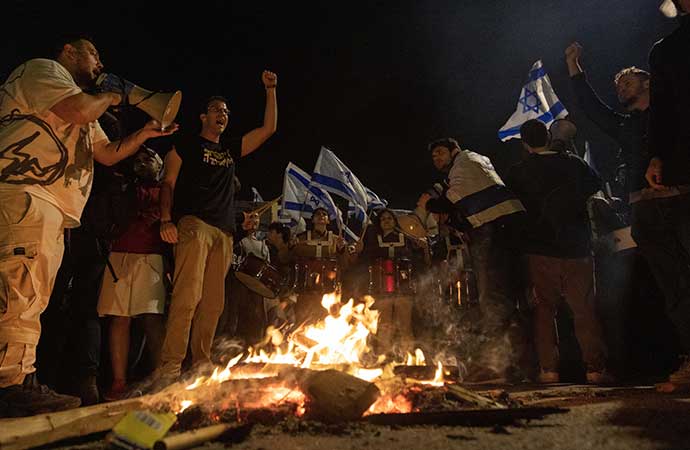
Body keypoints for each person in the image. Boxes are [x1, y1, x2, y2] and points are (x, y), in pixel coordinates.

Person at [0, 33, 177, 416]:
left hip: (49, 205)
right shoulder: (42, 71)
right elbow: (81, 110)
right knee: (20, 289)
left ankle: (20, 377)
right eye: (93, 53)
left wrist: (144, 133)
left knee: (32, 294)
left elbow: (107, 153)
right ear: (68, 52)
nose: (100, 62)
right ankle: (10, 385)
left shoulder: (77, 99)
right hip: (27, 194)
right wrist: (113, 96)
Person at [155, 70, 277, 382]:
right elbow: (168, 183)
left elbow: (268, 129)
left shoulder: (229, 150)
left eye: (226, 111)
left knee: (213, 304)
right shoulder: (185, 146)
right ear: (203, 117)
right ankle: (170, 367)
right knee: (187, 298)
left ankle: (201, 363)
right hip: (194, 225)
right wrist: (166, 219)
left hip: (224, 233)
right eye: (216, 110)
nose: (223, 114)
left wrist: (270, 90)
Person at [507, 119, 611, 384]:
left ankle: (549, 370)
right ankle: (595, 369)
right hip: (576, 248)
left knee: (544, 310)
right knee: (584, 309)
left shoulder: (519, 171)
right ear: (548, 136)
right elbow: (595, 183)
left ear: (525, 144)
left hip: (539, 250)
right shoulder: (573, 163)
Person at [419, 137, 527, 382]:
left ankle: (499, 365)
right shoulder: (475, 162)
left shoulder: (465, 162)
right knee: (507, 297)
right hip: (504, 232)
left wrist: (430, 204)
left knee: (493, 297)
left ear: (454, 150)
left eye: (440, 152)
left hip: (494, 234)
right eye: (433, 155)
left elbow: (450, 201)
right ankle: (516, 364)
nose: (436, 158)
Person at [644, 0, 690, 392]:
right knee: (681, 273)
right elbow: (663, 110)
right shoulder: (667, 50)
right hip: (684, 169)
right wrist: (657, 155)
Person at [97, 146, 167, 401]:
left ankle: (161, 377)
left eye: (149, 157)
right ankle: (119, 382)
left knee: (152, 318)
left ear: (160, 165)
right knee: (119, 318)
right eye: (138, 158)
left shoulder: (166, 192)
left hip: (151, 258)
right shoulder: (124, 187)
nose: (142, 161)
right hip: (119, 257)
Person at [353, 209, 427, 352]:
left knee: (405, 325)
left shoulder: (407, 239)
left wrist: (423, 248)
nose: (386, 221)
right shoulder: (373, 241)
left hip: (403, 287)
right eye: (383, 219)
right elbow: (364, 260)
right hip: (381, 288)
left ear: (394, 221)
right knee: (385, 325)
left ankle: (409, 356)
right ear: (379, 223)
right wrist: (359, 250)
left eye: (389, 218)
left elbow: (417, 260)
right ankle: (383, 356)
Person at [291, 208, 347, 325]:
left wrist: (342, 250)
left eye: (324, 214)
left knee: (328, 321)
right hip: (306, 288)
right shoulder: (302, 238)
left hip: (329, 288)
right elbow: (291, 257)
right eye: (317, 214)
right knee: (303, 321)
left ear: (328, 220)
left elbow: (344, 263)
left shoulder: (337, 239)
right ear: (312, 220)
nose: (321, 216)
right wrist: (291, 246)